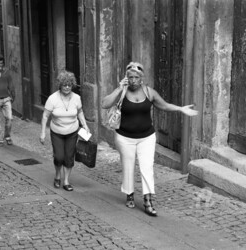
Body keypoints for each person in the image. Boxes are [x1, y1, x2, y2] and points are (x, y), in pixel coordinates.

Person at [102, 62, 198, 216]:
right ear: (126, 78)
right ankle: (130, 194)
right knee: (128, 167)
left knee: (147, 167)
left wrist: (181, 109)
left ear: (142, 79)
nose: (133, 80)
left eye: (136, 77)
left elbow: (164, 105)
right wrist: (120, 88)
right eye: (130, 77)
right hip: (124, 137)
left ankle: (148, 200)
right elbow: (105, 104)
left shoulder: (149, 92)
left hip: (146, 137)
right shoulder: (122, 91)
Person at [40, 70, 90, 191]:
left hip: (72, 132)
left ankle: (66, 181)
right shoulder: (52, 99)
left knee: (69, 157)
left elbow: (80, 112)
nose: (67, 87)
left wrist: (85, 125)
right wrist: (42, 132)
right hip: (57, 132)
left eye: (69, 85)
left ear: (72, 85)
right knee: (59, 157)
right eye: (64, 85)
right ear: (60, 85)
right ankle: (57, 176)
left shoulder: (77, 98)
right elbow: (45, 116)